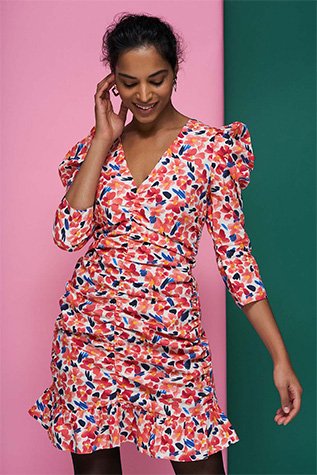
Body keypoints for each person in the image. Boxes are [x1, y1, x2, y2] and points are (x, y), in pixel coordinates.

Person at [28, 12, 303, 475]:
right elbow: (68, 235)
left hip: (171, 345)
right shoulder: (99, 147)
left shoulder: (209, 149)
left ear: (175, 71)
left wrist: (280, 358)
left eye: (156, 79)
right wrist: (102, 139)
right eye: (128, 82)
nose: (143, 95)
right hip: (90, 340)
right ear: (111, 83)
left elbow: (237, 260)